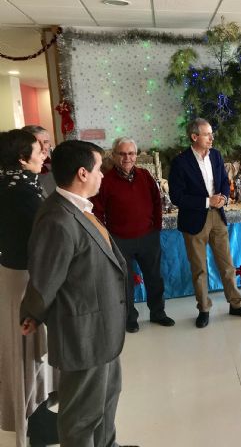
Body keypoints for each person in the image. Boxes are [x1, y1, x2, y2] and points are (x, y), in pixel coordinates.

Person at [20, 140, 135, 446]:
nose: (102, 175)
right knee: (82, 417)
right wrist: (32, 312)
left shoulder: (79, 208)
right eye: (99, 169)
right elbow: (45, 277)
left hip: (103, 328)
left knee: (107, 401)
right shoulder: (57, 218)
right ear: (83, 173)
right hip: (83, 333)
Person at [169, 118, 241, 328]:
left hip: (217, 216)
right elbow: (177, 197)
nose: (212, 137)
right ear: (194, 137)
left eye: (211, 134)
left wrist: (225, 198)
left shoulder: (216, 155)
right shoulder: (180, 162)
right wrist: (207, 201)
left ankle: (236, 304)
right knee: (199, 268)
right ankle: (204, 309)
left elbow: (225, 183)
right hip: (193, 219)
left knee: (227, 264)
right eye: (207, 134)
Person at [0, 130, 57, 447]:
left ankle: (39, 411)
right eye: (39, 149)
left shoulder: (17, 185)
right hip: (22, 280)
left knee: (34, 352)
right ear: (22, 158)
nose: (44, 154)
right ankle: (34, 421)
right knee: (27, 354)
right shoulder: (18, 193)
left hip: (21, 276)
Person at [92, 137, 175, 333]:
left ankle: (158, 313)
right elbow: (97, 211)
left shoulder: (145, 176)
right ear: (113, 156)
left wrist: (156, 227)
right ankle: (130, 318)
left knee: (155, 278)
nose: (126, 157)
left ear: (136, 156)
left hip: (148, 237)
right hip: (120, 240)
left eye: (130, 153)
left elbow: (157, 202)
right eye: (122, 153)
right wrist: (108, 236)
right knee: (125, 283)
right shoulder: (105, 181)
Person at [22, 125, 55, 196]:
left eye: (46, 142)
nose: (43, 147)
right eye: (38, 143)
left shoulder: (57, 168)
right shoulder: (18, 176)